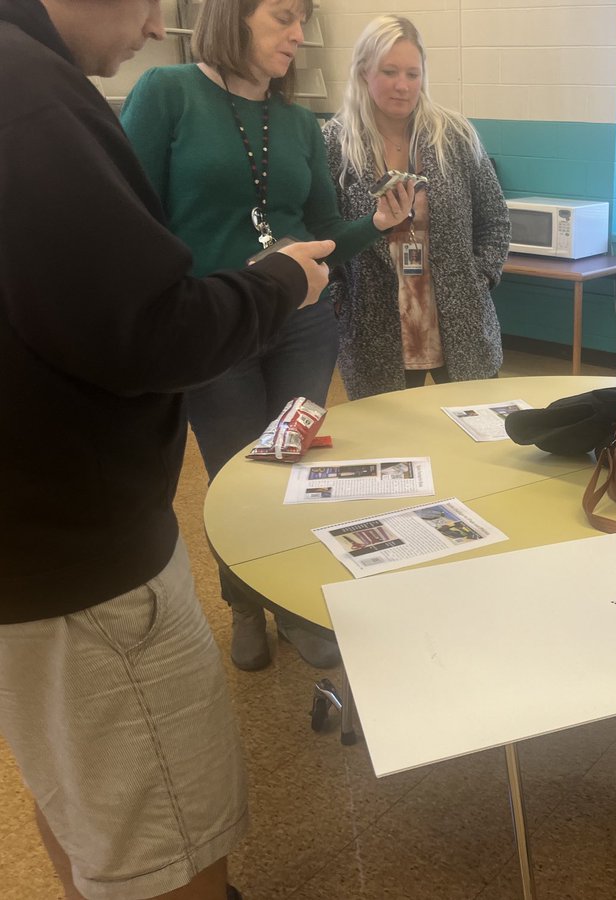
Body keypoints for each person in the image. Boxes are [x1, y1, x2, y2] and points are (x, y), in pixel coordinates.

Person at [0, 1, 334, 897]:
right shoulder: (38, 97)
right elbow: (146, 320)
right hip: (84, 560)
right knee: (166, 834)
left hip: (36, 548)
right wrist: (274, 284)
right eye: (151, 0)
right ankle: (257, 607)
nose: (155, 24)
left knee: (78, 788)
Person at [121, 0, 416, 671]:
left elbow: (322, 239)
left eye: (303, 21)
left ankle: (292, 604)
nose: (297, 34)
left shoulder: (297, 123)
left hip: (302, 324)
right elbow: (130, 216)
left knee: (293, 470)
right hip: (213, 326)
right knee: (236, 478)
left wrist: (373, 223)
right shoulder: (167, 93)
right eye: (284, 16)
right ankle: (245, 604)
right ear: (233, 14)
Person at [324, 14, 510, 400]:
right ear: (363, 73)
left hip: (459, 322)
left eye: (413, 73)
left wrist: (480, 278)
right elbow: (321, 235)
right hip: (375, 327)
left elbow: (494, 219)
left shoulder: (454, 136)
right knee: (389, 446)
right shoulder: (334, 145)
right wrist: (340, 299)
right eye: (389, 71)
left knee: (472, 435)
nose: (402, 85)